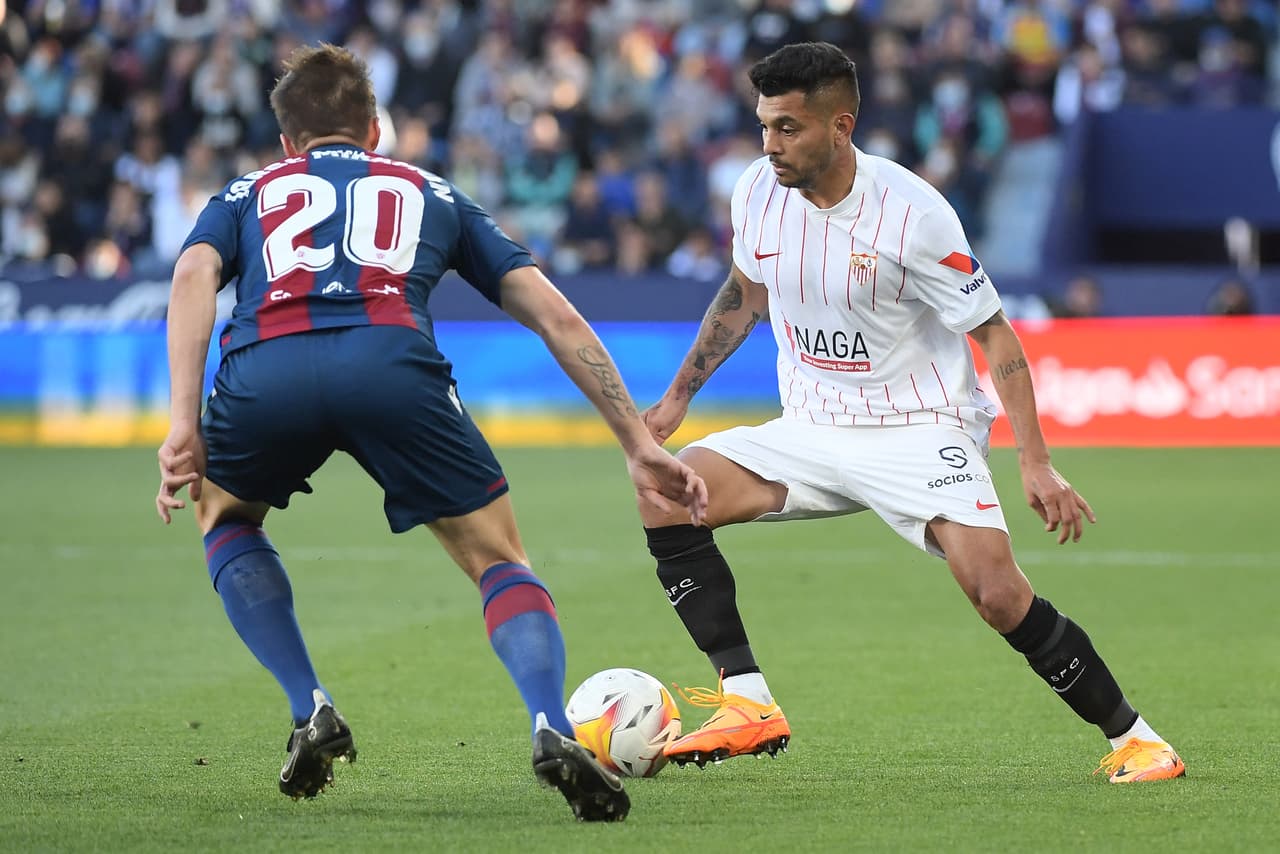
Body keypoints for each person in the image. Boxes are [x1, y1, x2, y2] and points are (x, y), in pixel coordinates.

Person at [153, 44, 708, 821]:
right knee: (499, 560)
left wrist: (183, 423)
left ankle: (308, 701)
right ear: (375, 129)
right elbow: (554, 314)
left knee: (226, 517)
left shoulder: (246, 193)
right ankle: (550, 723)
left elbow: (189, 279)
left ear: (287, 143)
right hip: (392, 365)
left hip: (266, 368)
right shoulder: (430, 190)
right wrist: (636, 440)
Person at [639, 42, 1183, 784]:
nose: (771, 146)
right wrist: (678, 397)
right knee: (663, 489)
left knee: (997, 594)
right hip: (811, 426)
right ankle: (747, 698)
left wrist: (1035, 459)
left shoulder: (915, 214)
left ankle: (1138, 740)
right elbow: (744, 295)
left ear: (842, 124)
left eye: (789, 129)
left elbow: (996, 335)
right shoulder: (756, 193)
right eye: (765, 126)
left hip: (919, 428)